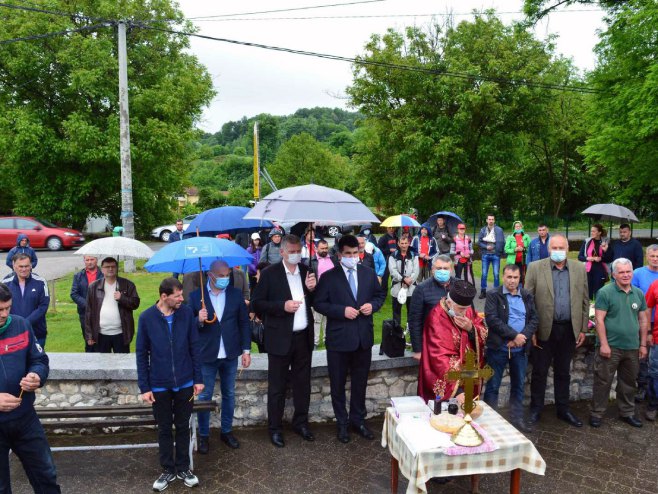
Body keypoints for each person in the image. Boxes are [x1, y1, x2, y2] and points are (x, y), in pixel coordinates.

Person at [313, 235, 385, 443]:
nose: (353, 257)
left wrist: (373, 305)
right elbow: (319, 303)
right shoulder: (329, 277)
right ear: (340, 255)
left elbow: (379, 296)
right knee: (337, 384)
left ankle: (358, 421)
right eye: (348, 254)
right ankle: (342, 424)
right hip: (339, 340)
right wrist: (341, 311)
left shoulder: (369, 274)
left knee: (360, 383)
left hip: (363, 339)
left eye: (355, 253)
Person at [136, 278, 204, 492]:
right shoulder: (146, 318)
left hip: (185, 382)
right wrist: (144, 387)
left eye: (181, 294)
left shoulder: (186, 313)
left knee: (183, 426)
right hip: (158, 385)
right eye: (177, 295)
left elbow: (195, 346)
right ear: (164, 297)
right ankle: (167, 470)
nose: (182, 299)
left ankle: (184, 468)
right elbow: (141, 354)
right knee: (164, 428)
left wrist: (198, 378)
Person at [251, 234, 317, 448]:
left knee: (302, 384)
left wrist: (312, 289)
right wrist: (282, 306)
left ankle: (301, 422)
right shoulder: (270, 274)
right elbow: (257, 303)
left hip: (302, 338)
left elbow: (315, 301)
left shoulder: (307, 271)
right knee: (277, 387)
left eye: (299, 251)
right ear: (282, 252)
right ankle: (275, 428)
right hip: (279, 338)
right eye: (292, 251)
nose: (296, 255)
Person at [0, 282, 60, 493]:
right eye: (0, 309)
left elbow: (39, 360)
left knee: (46, 475)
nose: (5, 314)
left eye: (8, 308)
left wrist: (36, 375)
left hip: (25, 418)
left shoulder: (21, 325)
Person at [525, 234, 589, 428]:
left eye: (562, 247)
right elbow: (527, 301)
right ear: (548, 249)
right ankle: (536, 409)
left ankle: (563, 409)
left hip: (569, 330)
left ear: (567, 248)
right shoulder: (535, 268)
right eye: (554, 247)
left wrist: (583, 328)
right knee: (539, 372)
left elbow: (585, 300)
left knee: (563, 372)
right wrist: (531, 331)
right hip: (544, 330)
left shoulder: (579, 268)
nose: (558, 251)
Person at [189, 260, 251, 452]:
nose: (225, 279)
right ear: (210, 275)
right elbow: (188, 327)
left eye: (228, 275)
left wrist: (246, 350)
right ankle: (204, 435)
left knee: (229, 394)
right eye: (221, 276)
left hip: (230, 354)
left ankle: (226, 431)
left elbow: (243, 323)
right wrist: (198, 319)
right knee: (205, 396)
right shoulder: (195, 297)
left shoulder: (234, 294)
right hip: (207, 355)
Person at [589, 258, 649, 428]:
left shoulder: (638, 293)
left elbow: (643, 321)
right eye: (621, 272)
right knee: (603, 381)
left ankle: (627, 412)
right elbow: (599, 320)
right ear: (613, 274)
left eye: (628, 271)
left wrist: (643, 344)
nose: (625, 275)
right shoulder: (605, 292)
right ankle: (597, 413)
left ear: (632, 272)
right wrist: (604, 344)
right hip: (611, 347)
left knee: (629, 383)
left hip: (632, 347)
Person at [484, 264, 538, 432]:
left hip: (520, 351)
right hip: (498, 349)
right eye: (509, 277)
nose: (512, 281)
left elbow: (534, 319)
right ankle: (489, 422)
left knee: (518, 386)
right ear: (503, 277)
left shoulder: (527, 295)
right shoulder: (494, 295)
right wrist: (514, 336)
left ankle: (516, 419)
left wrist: (521, 339)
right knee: (493, 386)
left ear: (520, 278)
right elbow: (492, 320)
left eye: (515, 277)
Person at [417, 280, 487, 403]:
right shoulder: (436, 317)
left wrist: (471, 328)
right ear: (449, 302)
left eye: (467, 309)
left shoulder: (466, 309)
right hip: (451, 383)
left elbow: (482, 329)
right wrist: (458, 390)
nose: (465, 313)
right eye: (461, 309)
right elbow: (438, 358)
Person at [85, 257, 140, 353]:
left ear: (117, 268)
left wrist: (122, 298)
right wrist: (89, 335)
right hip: (101, 334)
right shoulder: (93, 287)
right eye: (107, 267)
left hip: (121, 333)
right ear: (102, 269)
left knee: (122, 364)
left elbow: (135, 303)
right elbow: (89, 312)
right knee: (103, 365)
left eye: (113, 266)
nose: (110, 269)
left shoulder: (127, 285)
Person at [409, 255, 456, 357]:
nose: (442, 271)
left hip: (456, 343)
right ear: (432, 270)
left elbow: (470, 314)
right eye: (439, 268)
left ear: (451, 270)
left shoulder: (460, 286)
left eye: (445, 268)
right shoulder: (421, 289)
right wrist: (418, 350)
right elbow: (415, 320)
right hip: (432, 344)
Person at [2, 253, 49, 348]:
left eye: (26, 266)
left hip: (36, 333)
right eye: (21, 266)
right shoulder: (5, 283)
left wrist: (25, 322)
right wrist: (17, 324)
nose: (24, 269)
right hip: (13, 333)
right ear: (14, 265)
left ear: (31, 265)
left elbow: (43, 307)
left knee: (37, 361)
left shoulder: (40, 282)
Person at [632, 245, 658, 402]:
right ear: (647, 256)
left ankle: (653, 389)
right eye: (653, 256)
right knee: (643, 355)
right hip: (643, 321)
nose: (656, 259)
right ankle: (642, 386)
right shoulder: (638, 273)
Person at [70, 255, 103, 352]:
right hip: (85, 313)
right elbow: (74, 293)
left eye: (92, 259)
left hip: (102, 311)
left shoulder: (103, 274)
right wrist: (87, 305)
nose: (89, 262)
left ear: (96, 260)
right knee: (89, 340)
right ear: (84, 261)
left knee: (101, 339)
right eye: (87, 260)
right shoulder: (78, 276)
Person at [388, 235, 419, 327]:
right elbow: (393, 271)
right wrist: (403, 278)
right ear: (398, 243)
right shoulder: (393, 256)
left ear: (409, 243)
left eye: (406, 243)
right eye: (402, 243)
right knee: (396, 311)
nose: (404, 245)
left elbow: (416, 270)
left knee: (411, 311)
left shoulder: (414, 255)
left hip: (411, 287)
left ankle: (410, 329)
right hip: (397, 287)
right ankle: (397, 330)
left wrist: (410, 280)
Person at [578, 223, 613, 300]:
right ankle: (588, 309)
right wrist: (588, 258)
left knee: (598, 292)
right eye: (591, 231)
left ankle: (599, 308)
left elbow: (609, 258)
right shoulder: (587, 241)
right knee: (587, 292)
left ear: (599, 233)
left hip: (600, 269)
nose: (592, 233)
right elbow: (579, 257)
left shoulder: (605, 242)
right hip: (588, 270)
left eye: (594, 231)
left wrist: (604, 253)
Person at [477, 214, 505, 299]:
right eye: (489, 219)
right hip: (485, 255)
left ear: (494, 220)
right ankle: (483, 291)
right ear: (487, 220)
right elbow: (479, 242)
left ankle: (496, 292)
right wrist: (486, 247)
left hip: (495, 255)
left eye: (492, 219)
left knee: (496, 274)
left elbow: (502, 242)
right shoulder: (483, 230)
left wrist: (499, 252)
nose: (491, 221)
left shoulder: (499, 230)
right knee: (484, 274)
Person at [645, 278, 658, 420]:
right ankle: (653, 404)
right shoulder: (655, 284)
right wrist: (648, 332)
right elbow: (647, 307)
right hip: (657, 337)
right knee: (655, 372)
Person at [504, 221, 530, 286]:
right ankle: (511, 291)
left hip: (523, 261)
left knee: (521, 277)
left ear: (521, 227)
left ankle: (520, 291)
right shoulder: (510, 237)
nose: (518, 228)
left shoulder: (526, 237)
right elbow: (506, 249)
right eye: (516, 226)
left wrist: (523, 249)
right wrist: (514, 250)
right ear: (514, 228)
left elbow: (530, 248)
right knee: (512, 276)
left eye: (519, 226)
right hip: (512, 261)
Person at [377, 226, 398, 294]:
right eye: (390, 228)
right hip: (386, 260)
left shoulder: (396, 237)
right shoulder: (383, 238)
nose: (391, 229)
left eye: (393, 228)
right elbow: (379, 250)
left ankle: (395, 292)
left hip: (395, 260)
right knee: (385, 278)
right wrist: (389, 250)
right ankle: (383, 294)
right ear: (387, 228)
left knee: (395, 276)